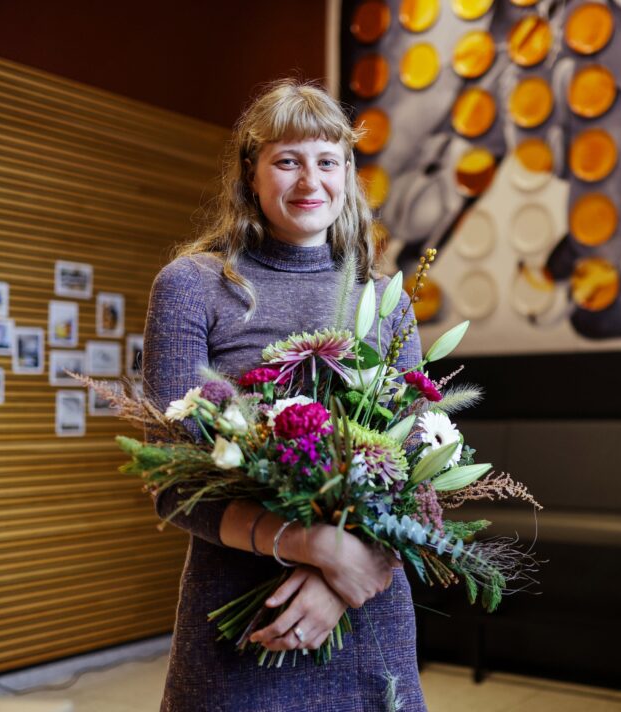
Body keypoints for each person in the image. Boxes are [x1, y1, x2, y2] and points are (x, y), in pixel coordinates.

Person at [143, 80, 426, 712]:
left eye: (328, 161)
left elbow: (421, 471)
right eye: (287, 160)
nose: (309, 181)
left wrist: (343, 581)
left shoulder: (387, 300)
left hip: (369, 611)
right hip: (242, 618)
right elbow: (171, 482)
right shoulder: (193, 286)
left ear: (348, 174)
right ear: (251, 171)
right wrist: (312, 545)